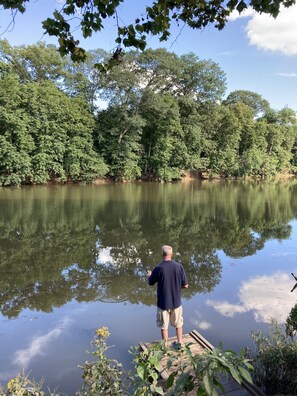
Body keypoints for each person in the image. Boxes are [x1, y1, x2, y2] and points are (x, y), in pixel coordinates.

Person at [147, 245, 188, 346]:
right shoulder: (179, 267)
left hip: (163, 303)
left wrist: (149, 275)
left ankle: (165, 347)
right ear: (172, 254)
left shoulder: (158, 268)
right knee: (178, 324)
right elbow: (186, 285)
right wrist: (177, 287)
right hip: (176, 302)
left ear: (162, 254)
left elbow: (150, 283)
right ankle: (180, 344)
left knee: (164, 327)